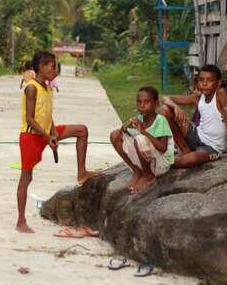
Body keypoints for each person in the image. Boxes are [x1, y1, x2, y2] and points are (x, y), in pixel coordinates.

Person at [16, 51, 101, 233]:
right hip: (31, 137)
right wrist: (48, 138)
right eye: (53, 66)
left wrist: (53, 131)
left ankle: (82, 172)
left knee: (82, 130)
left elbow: (47, 114)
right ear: (41, 67)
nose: (56, 70)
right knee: (26, 178)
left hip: (46, 132)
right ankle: (21, 221)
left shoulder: (47, 87)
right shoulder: (31, 88)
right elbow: (30, 119)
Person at [160, 65, 227, 168]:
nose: (204, 83)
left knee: (183, 162)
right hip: (196, 136)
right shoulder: (198, 97)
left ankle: (168, 161)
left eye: (210, 80)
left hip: (211, 148)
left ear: (219, 83)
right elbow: (165, 98)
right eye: (201, 80)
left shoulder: (221, 94)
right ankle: (185, 149)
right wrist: (175, 106)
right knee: (165, 110)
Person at [110, 86, 174, 193]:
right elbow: (127, 137)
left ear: (156, 104)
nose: (142, 105)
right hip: (146, 160)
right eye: (139, 102)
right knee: (115, 135)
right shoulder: (139, 118)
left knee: (140, 139)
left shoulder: (160, 120)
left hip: (160, 164)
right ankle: (137, 172)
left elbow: (163, 148)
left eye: (146, 102)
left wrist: (144, 131)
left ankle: (148, 176)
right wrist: (125, 128)